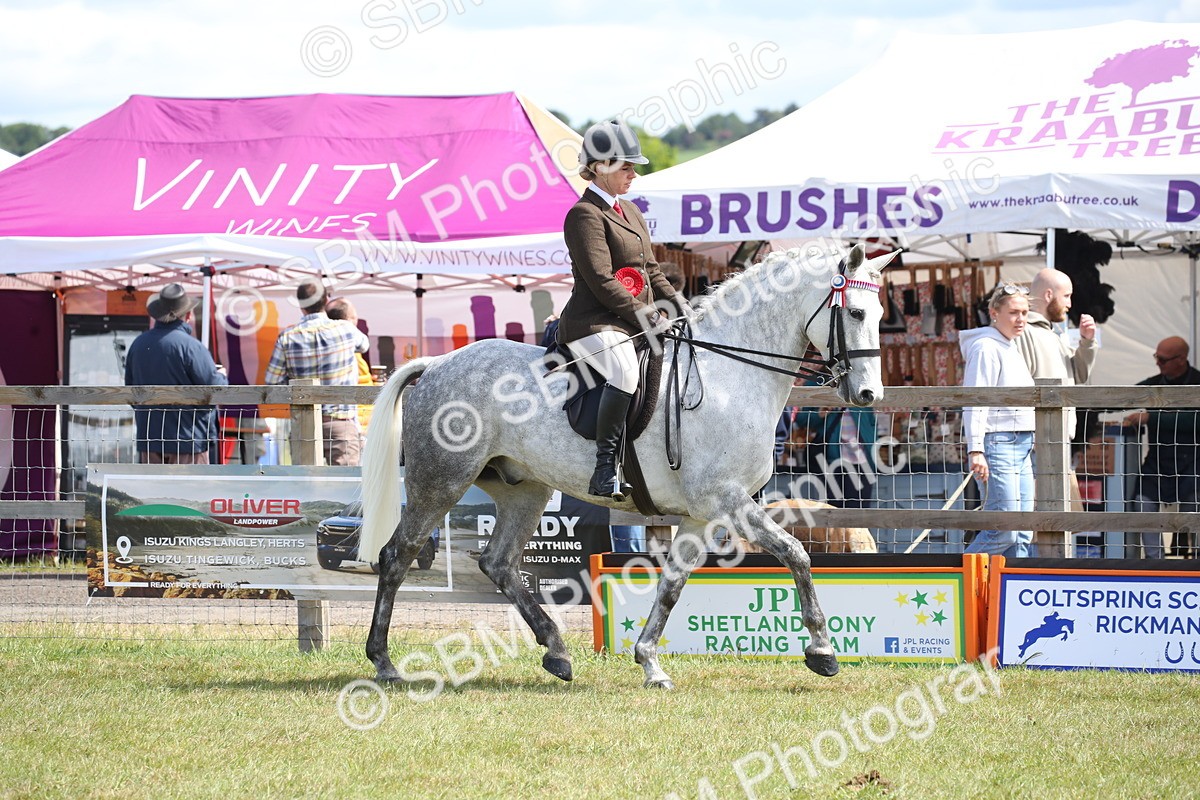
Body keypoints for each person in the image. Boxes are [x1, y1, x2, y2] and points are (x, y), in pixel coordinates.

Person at [556, 119, 688, 500]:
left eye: (633, 167)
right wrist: (649, 316)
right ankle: (604, 469)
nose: (633, 174)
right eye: (626, 167)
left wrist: (682, 309)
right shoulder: (584, 215)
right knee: (627, 373)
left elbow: (650, 271)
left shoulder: (629, 210)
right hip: (593, 323)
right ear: (600, 166)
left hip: (630, 323)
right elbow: (601, 280)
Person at [1015, 267, 1097, 554]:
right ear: (1048, 295)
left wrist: (1087, 342)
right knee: (1040, 527)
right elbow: (1020, 388)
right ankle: (1035, 583)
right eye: (1067, 296)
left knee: (1056, 525)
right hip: (1037, 444)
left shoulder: (1054, 334)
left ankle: (1047, 581)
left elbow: (1080, 375)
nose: (1070, 303)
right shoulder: (1024, 332)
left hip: (1057, 442)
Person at [960, 282, 1036, 558]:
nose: (1021, 319)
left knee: (1021, 529)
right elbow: (976, 400)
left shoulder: (1008, 345)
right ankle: (955, 576)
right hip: (998, 442)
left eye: (1025, 312)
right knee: (1005, 526)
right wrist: (976, 448)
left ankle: (1012, 590)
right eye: (1014, 312)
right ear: (994, 312)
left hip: (1020, 442)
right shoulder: (985, 348)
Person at [265, 280, 370, 466]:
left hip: (303, 422)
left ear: (300, 305)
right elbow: (364, 345)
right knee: (345, 489)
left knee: (305, 488)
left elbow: (271, 382)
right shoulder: (345, 329)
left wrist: (294, 387)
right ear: (326, 299)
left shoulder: (287, 337)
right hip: (341, 421)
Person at [124, 283, 228, 464]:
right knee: (192, 492)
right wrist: (222, 375)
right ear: (187, 316)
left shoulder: (138, 344)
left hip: (150, 439)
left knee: (153, 492)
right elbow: (216, 389)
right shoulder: (191, 347)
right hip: (188, 440)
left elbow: (131, 392)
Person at [1124, 336, 1200, 559]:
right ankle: (1154, 562)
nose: (1158, 363)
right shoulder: (1155, 383)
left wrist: (1151, 417)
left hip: (1194, 464)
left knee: (1193, 513)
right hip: (1158, 463)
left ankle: (1196, 563)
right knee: (1142, 504)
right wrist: (1087, 405)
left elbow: (1195, 421)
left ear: (1182, 359)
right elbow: (1122, 397)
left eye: (1163, 360)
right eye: (1157, 357)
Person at [325, 297, 375, 434]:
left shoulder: (326, 349)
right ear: (349, 320)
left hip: (351, 418)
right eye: (354, 317)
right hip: (355, 421)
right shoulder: (350, 351)